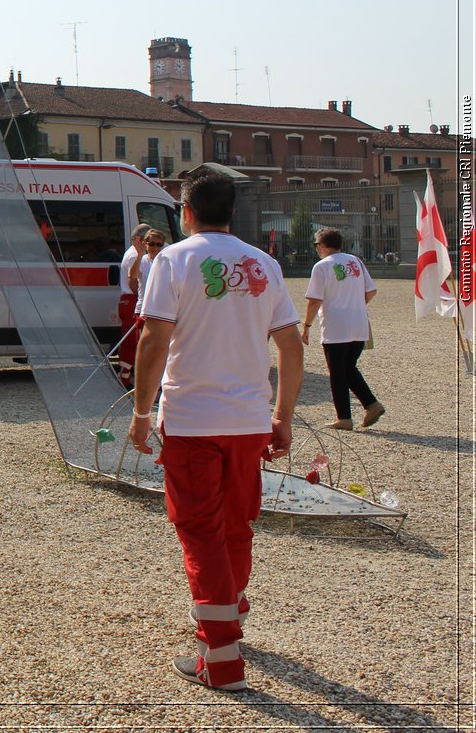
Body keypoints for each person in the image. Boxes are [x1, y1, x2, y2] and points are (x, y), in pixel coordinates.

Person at [130, 167, 303, 693]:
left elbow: (154, 341)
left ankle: (221, 655)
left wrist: (140, 413)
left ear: (185, 212)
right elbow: (291, 348)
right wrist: (283, 417)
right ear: (233, 211)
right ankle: (231, 606)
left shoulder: (173, 260)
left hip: (193, 418)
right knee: (235, 524)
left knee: (200, 529)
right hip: (249, 418)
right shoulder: (265, 264)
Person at [302, 227, 383, 431]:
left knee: (337, 372)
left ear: (322, 245)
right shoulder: (355, 261)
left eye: (316, 245)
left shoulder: (321, 267)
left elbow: (314, 300)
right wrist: (355, 304)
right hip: (358, 322)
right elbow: (371, 291)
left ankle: (344, 418)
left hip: (336, 326)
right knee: (348, 368)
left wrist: (306, 326)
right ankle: (372, 404)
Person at [114, 224, 151, 386]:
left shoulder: (136, 254)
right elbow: (134, 283)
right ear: (138, 239)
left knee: (133, 340)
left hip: (130, 300)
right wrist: (145, 297)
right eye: (147, 240)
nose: (149, 244)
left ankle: (127, 375)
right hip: (131, 299)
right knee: (131, 341)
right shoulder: (133, 255)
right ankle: (124, 377)